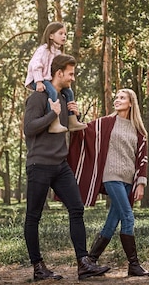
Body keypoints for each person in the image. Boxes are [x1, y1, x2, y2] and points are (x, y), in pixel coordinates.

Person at [23, 54, 110, 281]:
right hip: (39, 164)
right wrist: (53, 113)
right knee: (33, 216)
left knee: (77, 208)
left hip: (60, 166)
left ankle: (83, 264)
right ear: (59, 73)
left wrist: (74, 115)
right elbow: (29, 128)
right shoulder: (39, 97)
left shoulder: (63, 97)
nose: (73, 77)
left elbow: (69, 129)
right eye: (70, 73)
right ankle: (38, 267)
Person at [67, 88, 149, 277]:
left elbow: (142, 158)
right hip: (111, 176)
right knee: (128, 217)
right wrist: (76, 114)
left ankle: (90, 261)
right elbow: (82, 131)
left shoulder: (138, 130)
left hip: (129, 180)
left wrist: (141, 183)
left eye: (122, 98)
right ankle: (134, 265)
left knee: (112, 221)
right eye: (116, 97)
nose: (117, 100)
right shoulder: (105, 123)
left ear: (131, 103)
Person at [25, 22, 88, 133]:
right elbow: (35, 65)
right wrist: (39, 82)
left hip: (47, 79)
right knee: (52, 92)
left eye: (65, 34)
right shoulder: (43, 50)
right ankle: (54, 122)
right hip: (37, 78)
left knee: (69, 93)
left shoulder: (58, 52)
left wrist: (77, 114)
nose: (64, 36)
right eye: (61, 33)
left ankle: (72, 119)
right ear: (51, 36)